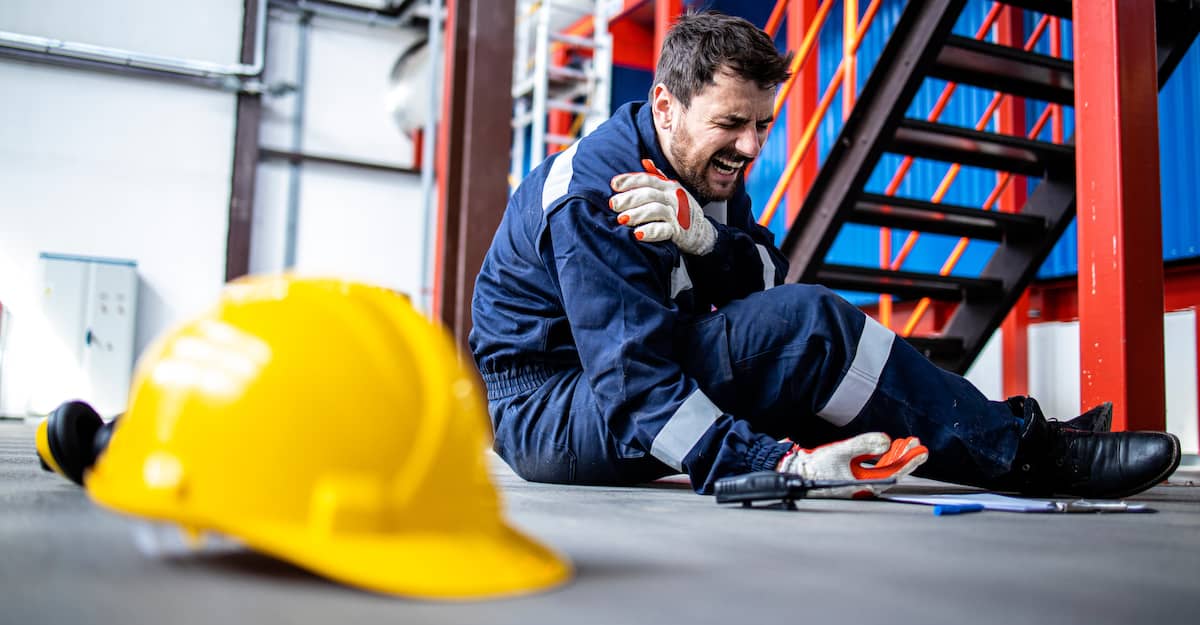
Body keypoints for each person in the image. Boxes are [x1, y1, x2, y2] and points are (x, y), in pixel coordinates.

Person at [469, 11, 1181, 498]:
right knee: (807, 330)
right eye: (731, 124)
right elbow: (634, 389)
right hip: (552, 409)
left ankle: (1006, 439)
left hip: (613, 383)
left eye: (763, 125)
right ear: (665, 106)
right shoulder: (603, 195)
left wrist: (708, 239)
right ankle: (1029, 456)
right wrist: (778, 464)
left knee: (811, 349)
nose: (751, 147)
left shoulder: (701, 167)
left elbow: (766, 276)